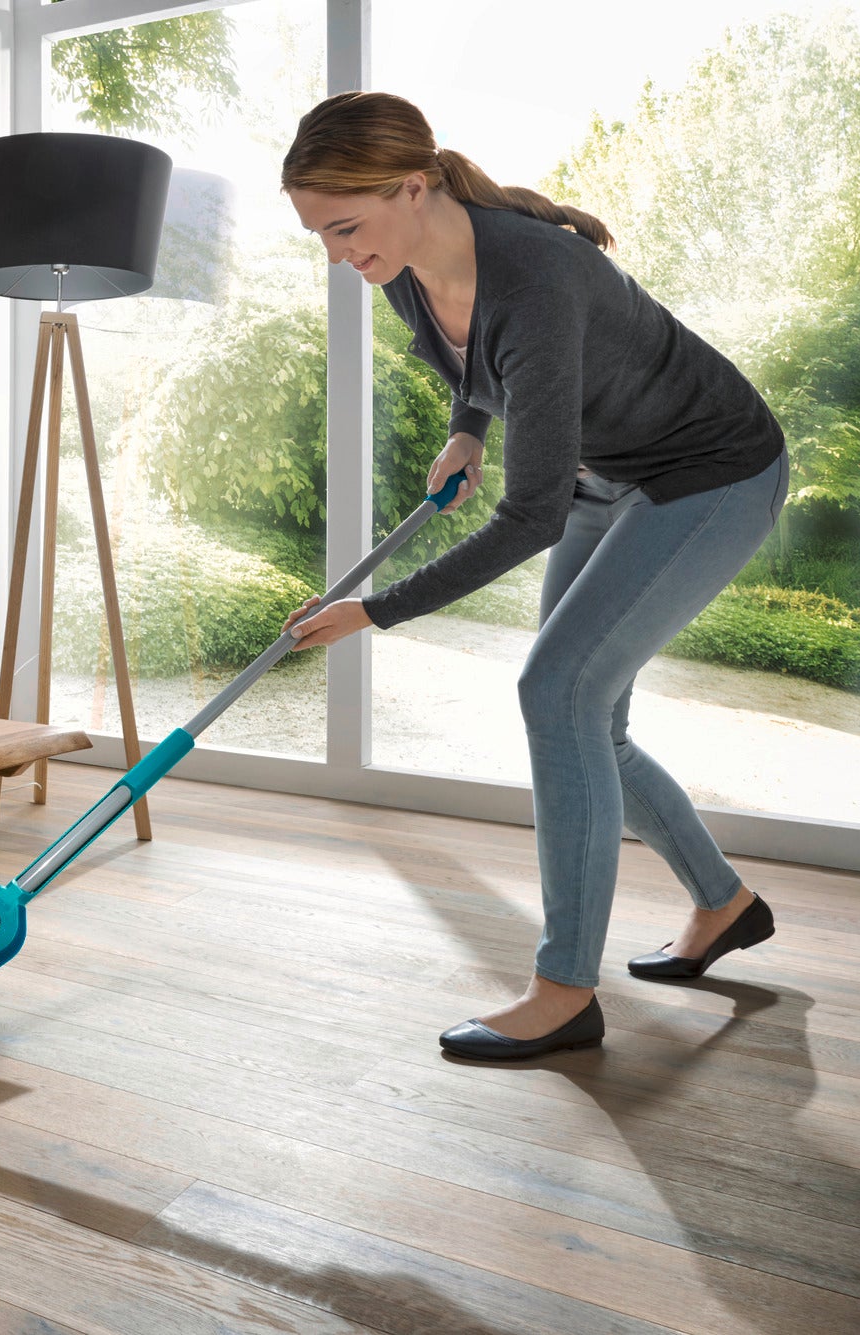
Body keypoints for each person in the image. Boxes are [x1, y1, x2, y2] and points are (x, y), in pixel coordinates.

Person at [273, 91, 788, 1061]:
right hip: (609, 474)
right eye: (319, 235)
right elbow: (476, 367)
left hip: (711, 473)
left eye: (344, 227)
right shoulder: (401, 270)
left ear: (412, 187)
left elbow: (531, 513)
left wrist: (374, 611)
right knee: (589, 713)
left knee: (555, 692)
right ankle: (724, 906)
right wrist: (467, 428)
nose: (338, 255)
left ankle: (563, 992)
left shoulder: (537, 276)